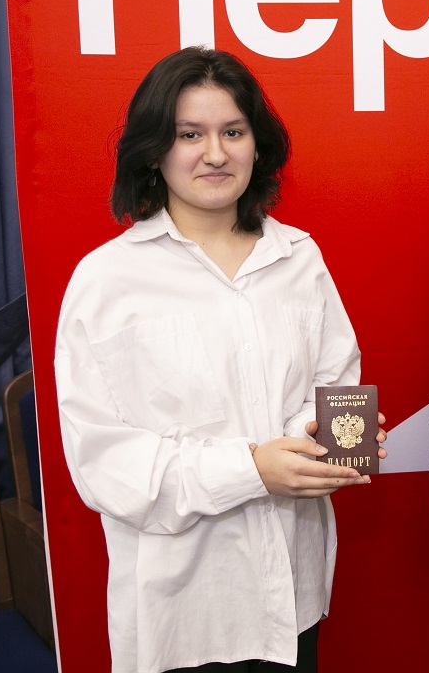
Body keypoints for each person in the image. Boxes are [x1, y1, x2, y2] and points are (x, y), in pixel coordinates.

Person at [55, 46, 384, 673]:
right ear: (155, 149)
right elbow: (106, 464)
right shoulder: (106, 281)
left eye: (233, 132)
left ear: (258, 146)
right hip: (185, 612)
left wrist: (328, 441)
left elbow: (334, 382)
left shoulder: (299, 258)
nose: (215, 153)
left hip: (292, 597)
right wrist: (253, 469)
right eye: (190, 134)